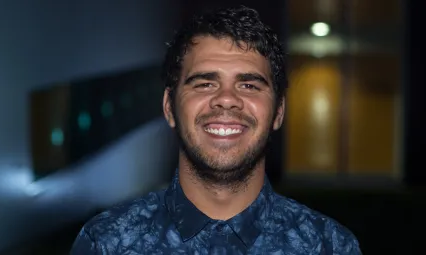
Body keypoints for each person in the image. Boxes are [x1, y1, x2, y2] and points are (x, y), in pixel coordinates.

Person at [71, 6, 361, 254]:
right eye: (204, 83)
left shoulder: (328, 246)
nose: (226, 99)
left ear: (279, 112)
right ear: (170, 107)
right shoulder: (108, 243)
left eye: (248, 85)